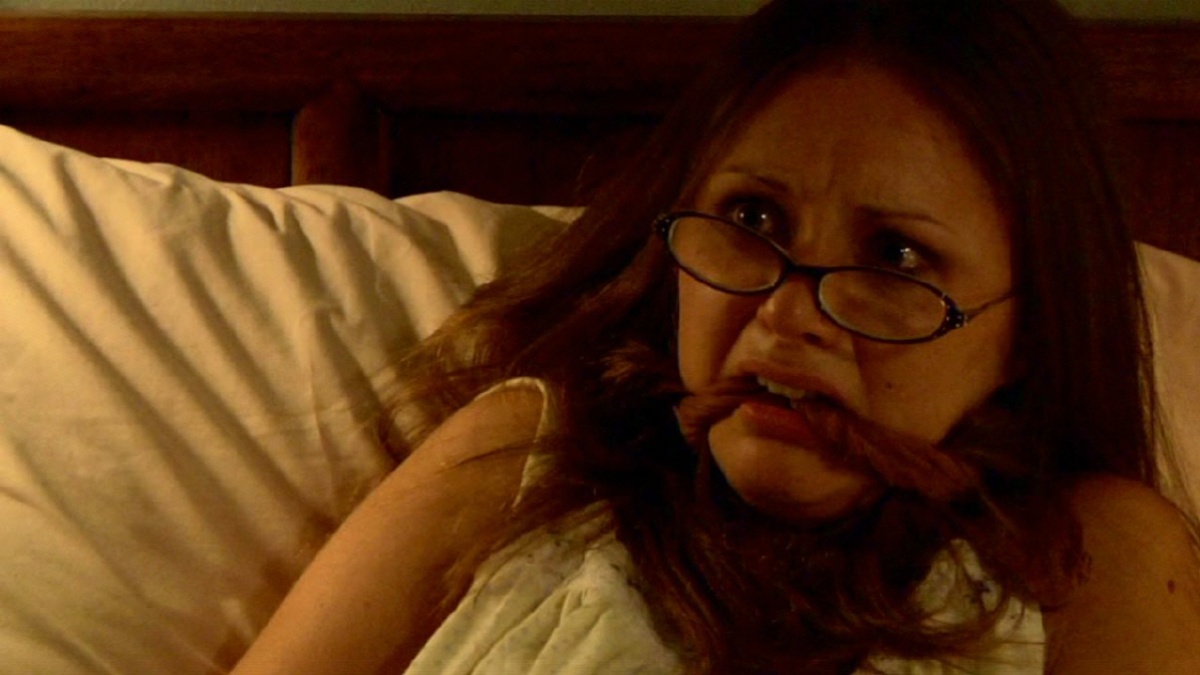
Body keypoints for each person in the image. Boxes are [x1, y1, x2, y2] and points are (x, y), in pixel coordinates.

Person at [232, 0, 1200, 673]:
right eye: (754, 219)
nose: (783, 315)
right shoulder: (530, 454)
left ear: (1026, 328)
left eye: (897, 257)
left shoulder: (1087, 555)